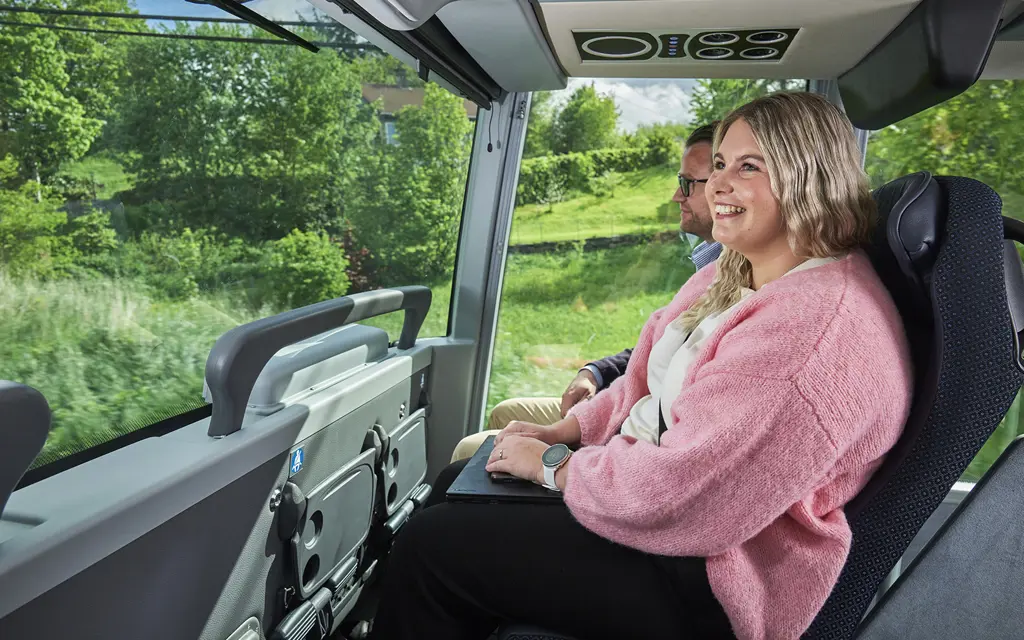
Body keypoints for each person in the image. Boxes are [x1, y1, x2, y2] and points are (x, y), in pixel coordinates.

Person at [368, 92, 913, 640]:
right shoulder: (739, 270)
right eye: (719, 164)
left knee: (430, 547)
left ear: (809, 176)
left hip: (715, 574)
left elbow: (693, 498)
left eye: (749, 166)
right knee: (454, 484)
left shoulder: (812, 332)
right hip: (659, 503)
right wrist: (572, 429)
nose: (717, 184)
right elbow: (643, 383)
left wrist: (553, 464)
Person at [449, 121, 723, 463]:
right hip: (628, 414)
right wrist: (596, 371)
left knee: (468, 454)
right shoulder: (710, 269)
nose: (675, 195)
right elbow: (658, 350)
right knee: (506, 412)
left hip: (635, 438)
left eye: (686, 183)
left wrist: (559, 462)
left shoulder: (736, 283)